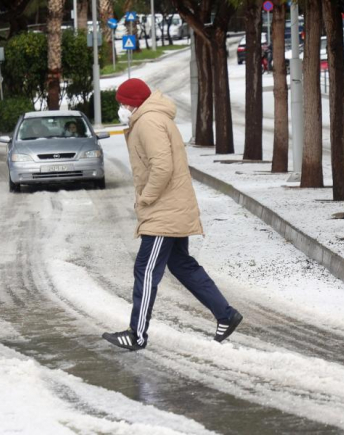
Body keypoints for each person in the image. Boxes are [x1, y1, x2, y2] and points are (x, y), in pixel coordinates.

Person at [101, 78, 244, 351]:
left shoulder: (148, 122)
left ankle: (137, 334)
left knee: (145, 270)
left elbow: (162, 167)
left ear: (133, 103)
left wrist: (146, 199)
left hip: (163, 212)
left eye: (122, 103)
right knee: (181, 264)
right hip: (172, 207)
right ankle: (225, 314)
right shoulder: (151, 118)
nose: (120, 108)